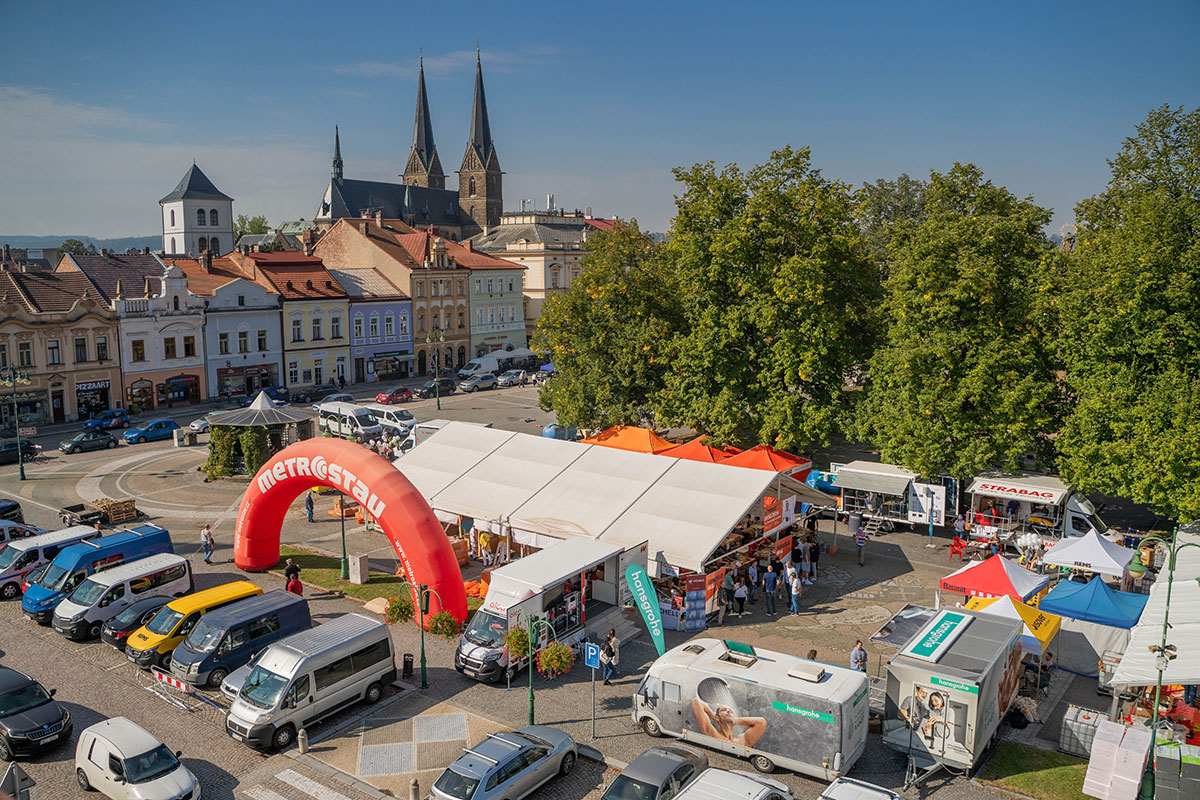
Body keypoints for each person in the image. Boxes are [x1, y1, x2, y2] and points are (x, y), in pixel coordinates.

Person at [691, 695, 766, 748]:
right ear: (717, 717)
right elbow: (696, 701)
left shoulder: (742, 740)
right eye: (724, 710)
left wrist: (735, 720)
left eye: (731, 711)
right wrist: (713, 716)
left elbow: (761, 722)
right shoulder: (713, 735)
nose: (728, 711)